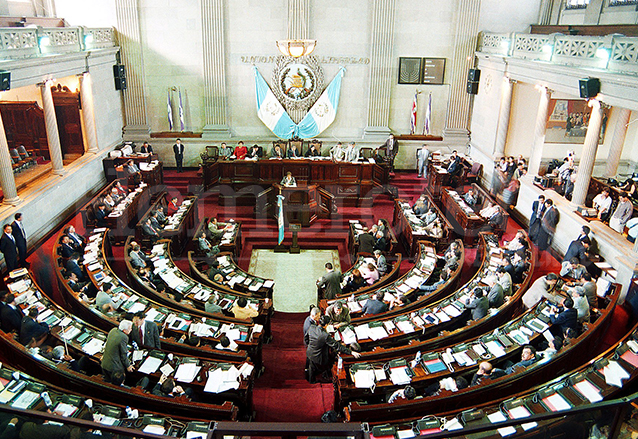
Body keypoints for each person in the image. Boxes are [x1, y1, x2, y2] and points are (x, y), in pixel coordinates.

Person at [305, 315, 360, 383]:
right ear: (326, 325)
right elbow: (337, 346)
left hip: (310, 352)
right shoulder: (325, 335)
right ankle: (324, 376)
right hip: (319, 356)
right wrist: (351, 352)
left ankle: (311, 379)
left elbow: (306, 339)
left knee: (311, 367)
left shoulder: (312, 327)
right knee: (328, 362)